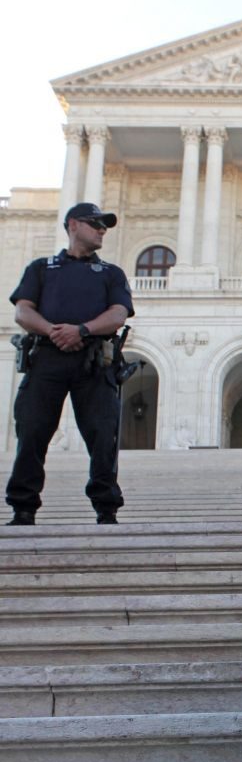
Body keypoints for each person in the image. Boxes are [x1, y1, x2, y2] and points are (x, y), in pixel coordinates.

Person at [6, 203, 134, 525]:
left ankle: (106, 508)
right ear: (73, 225)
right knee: (32, 430)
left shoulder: (111, 273)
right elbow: (23, 311)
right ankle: (23, 507)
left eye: (104, 226)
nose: (102, 230)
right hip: (46, 357)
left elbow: (118, 314)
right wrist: (53, 330)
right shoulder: (41, 268)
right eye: (95, 224)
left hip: (93, 359)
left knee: (104, 434)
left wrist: (82, 330)